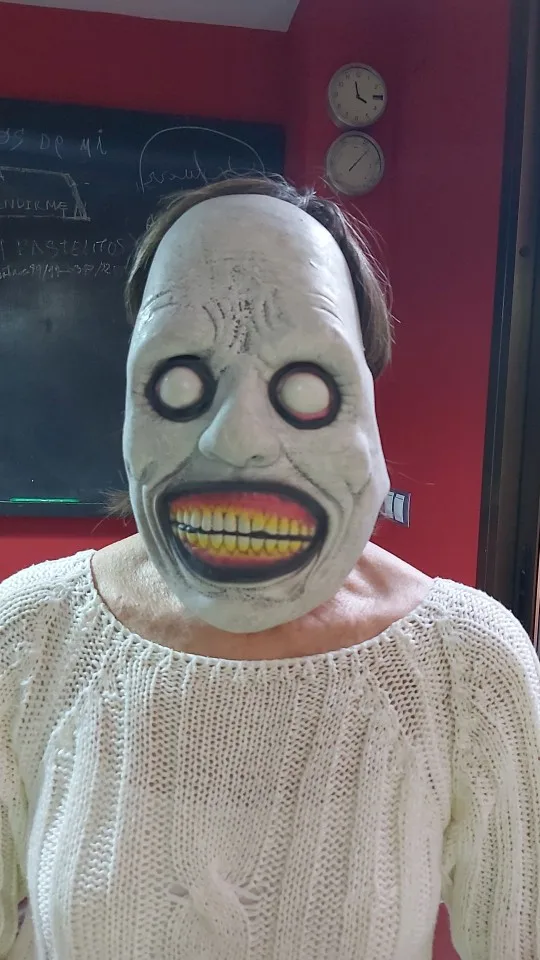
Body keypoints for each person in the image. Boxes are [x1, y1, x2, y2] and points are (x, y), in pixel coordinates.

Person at [1, 176, 539, 960]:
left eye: (304, 386)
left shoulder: (467, 671)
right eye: (182, 381)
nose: (236, 440)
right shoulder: (30, 639)